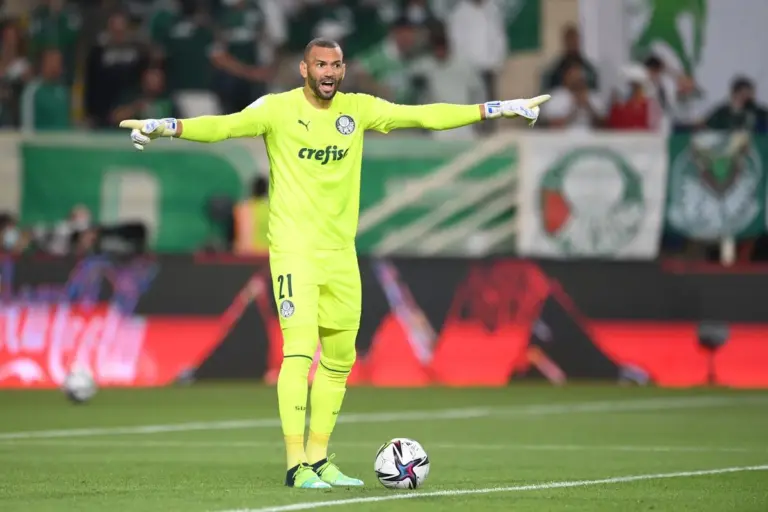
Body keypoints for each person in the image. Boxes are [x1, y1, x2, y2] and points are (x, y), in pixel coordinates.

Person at [118, 37, 542, 490]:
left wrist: (497, 109)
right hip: (294, 252)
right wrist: (166, 126)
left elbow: (423, 116)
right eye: (320, 64)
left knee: (340, 360)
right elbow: (223, 127)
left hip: (341, 254)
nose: (329, 72)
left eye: (336, 65)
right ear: (304, 69)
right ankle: (295, 465)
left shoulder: (356, 109)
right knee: (299, 353)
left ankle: (319, 459)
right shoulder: (277, 109)